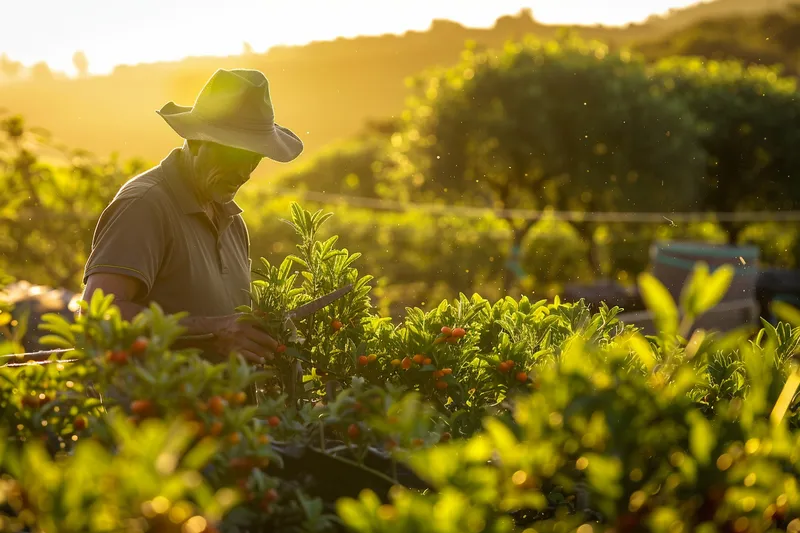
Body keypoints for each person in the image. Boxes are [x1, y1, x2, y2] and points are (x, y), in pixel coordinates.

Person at [81, 68, 304, 364]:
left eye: (255, 158)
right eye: (234, 156)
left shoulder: (231, 219)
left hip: (225, 410)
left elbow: (227, 327)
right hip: (159, 407)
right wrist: (211, 331)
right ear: (197, 141)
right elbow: (99, 314)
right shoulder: (145, 206)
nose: (244, 173)